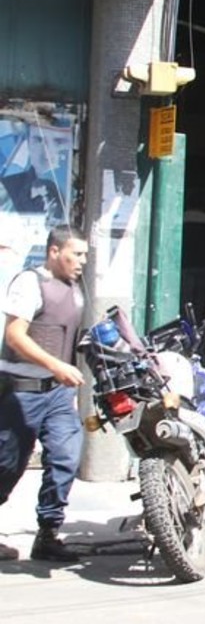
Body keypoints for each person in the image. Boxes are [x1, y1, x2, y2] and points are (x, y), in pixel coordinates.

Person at [0, 225, 88, 562]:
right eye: (76, 254)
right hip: (21, 392)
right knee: (7, 466)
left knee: (66, 457)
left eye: (84, 255)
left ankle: (48, 534)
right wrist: (56, 366)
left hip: (57, 394)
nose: (81, 261)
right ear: (54, 251)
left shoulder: (75, 289)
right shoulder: (29, 283)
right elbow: (15, 336)